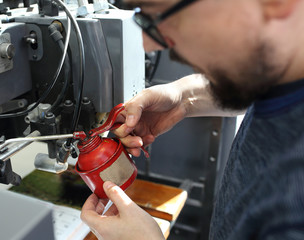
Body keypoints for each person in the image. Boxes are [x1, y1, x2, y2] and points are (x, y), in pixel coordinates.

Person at [81, 0, 304, 239]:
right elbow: (258, 85)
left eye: (161, 15)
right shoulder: (283, 78)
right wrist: (183, 99)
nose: (148, 45)